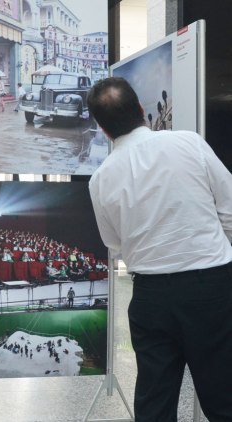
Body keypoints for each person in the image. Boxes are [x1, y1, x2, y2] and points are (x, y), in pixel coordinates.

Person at [88, 77, 232, 421]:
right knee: (224, 396)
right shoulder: (189, 143)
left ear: (103, 129)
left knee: (155, 401)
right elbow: (228, 211)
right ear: (141, 110)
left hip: (150, 296)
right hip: (211, 287)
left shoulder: (100, 179)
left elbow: (115, 246)